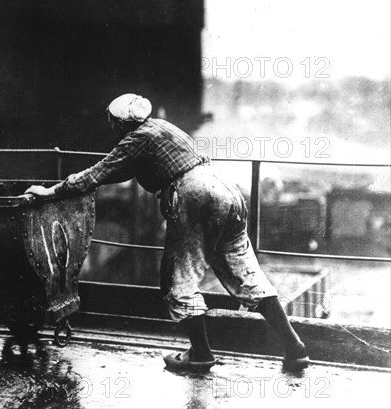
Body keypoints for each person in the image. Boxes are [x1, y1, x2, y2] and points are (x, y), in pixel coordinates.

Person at [25, 93, 309, 372]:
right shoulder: (163, 127)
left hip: (194, 196)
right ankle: (295, 348)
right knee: (247, 273)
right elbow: (123, 172)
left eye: (112, 122)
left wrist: (51, 190)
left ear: (121, 123)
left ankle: (200, 354)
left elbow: (97, 174)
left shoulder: (135, 139)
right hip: (225, 189)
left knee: (178, 279)